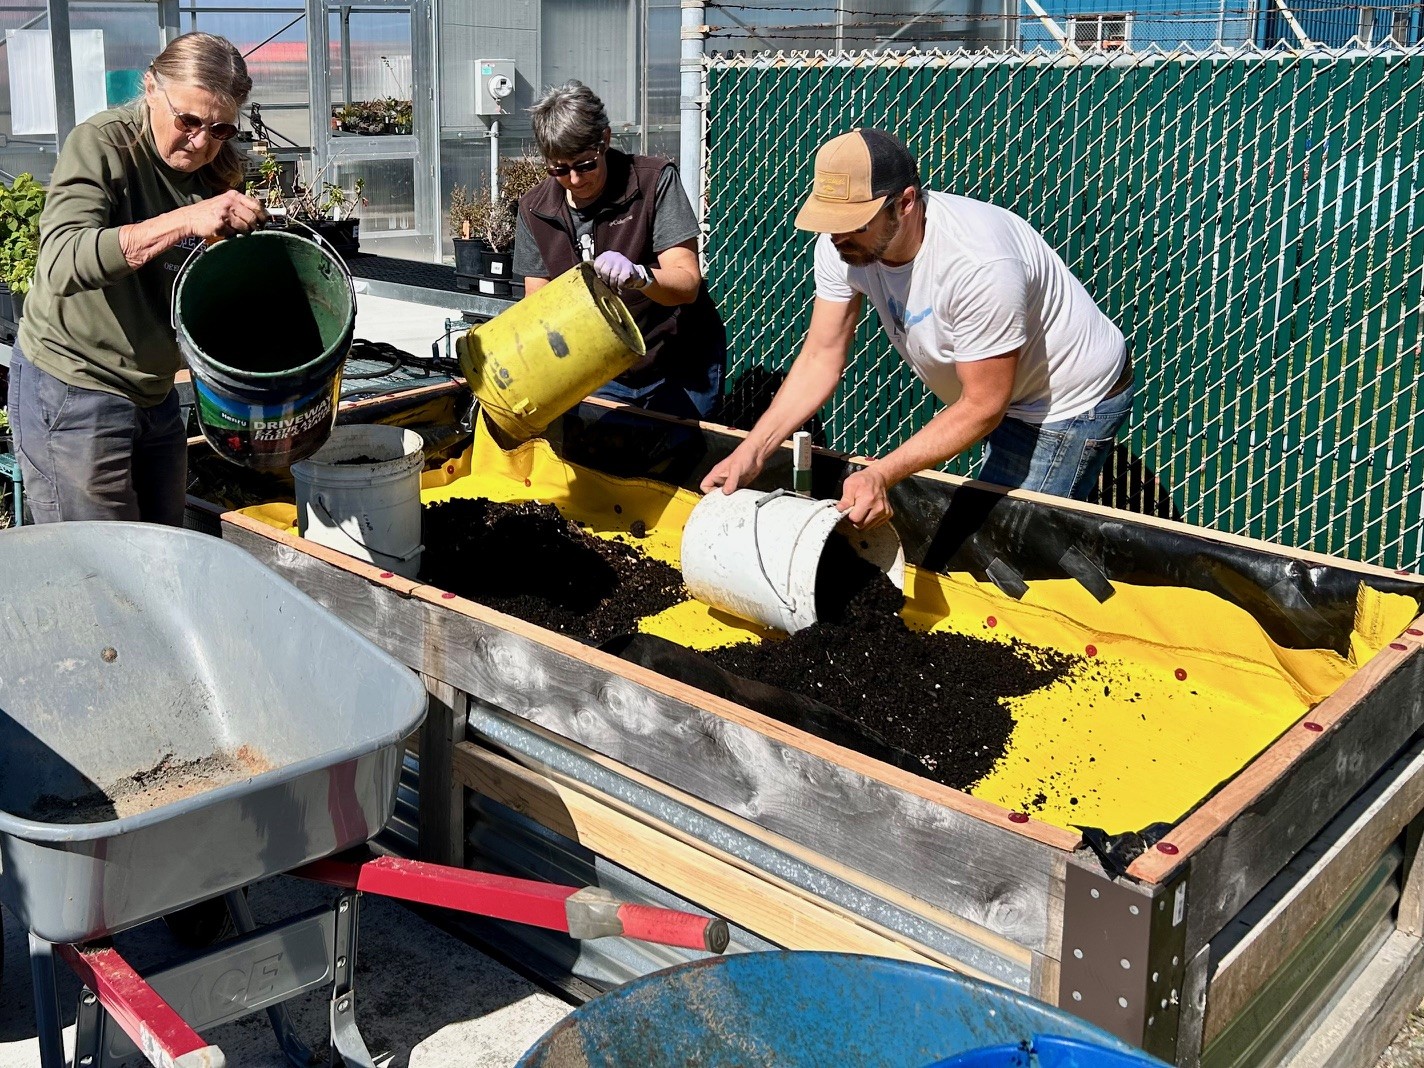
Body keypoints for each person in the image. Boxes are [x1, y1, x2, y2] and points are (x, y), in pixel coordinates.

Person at [700, 128, 1133, 528]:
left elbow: (984, 405)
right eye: (830, 220)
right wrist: (751, 452)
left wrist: (881, 474)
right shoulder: (842, 244)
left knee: (1014, 548)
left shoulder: (978, 264)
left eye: (854, 222)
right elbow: (820, 357)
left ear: (905, 203)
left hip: (1063, 404)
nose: (837, 236)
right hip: (1002, 392)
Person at [7, 31, 266, 526]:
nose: (200, 141)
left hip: (155, 392)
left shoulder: (216, 167)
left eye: (220, 130)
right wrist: (183, 221)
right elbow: (60, 260)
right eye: (188, 120)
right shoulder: (104, 144)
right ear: (151, 87)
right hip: (76, 387)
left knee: (160, 548)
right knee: (98, 565)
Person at [513, 80, 726, 421]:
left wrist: (641, 277)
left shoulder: (653, 182)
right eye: (559, 169)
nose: (575, 179)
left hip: (679, 358)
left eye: (585, 165)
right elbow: (539, 308)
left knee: (683, 461)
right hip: (601, 367)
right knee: (609, 462)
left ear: (606, 140)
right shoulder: (535, 209)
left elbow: (687, 284)